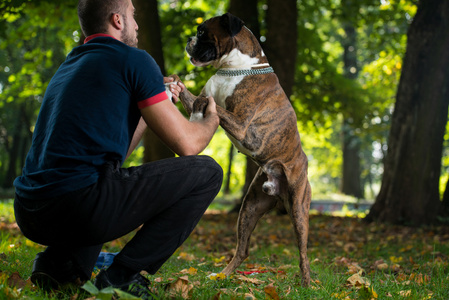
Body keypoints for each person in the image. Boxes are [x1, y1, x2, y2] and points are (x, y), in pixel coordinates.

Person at [13, 0, 222, 298]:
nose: (137, 25)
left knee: (100, 176)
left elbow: (114, 155)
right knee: (208, 172)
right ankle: (123, 276)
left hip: (31, 211)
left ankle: (58, 265)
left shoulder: (70, 65)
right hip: (80, 206)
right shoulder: (135, 59)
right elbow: (189, 144)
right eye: (134, 17)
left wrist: (150, 106)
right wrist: (210, 119)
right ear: (118, 20)